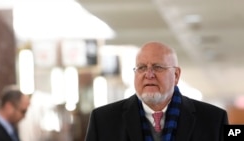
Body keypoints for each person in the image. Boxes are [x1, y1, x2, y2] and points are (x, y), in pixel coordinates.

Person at [85, 41, 228, 141]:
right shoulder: (103, 121)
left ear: (176, 75)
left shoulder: (214, 120)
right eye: (141, 68)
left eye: (158, 67)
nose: (149, 74)